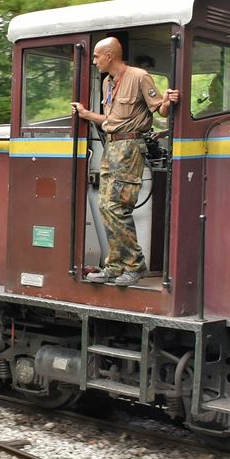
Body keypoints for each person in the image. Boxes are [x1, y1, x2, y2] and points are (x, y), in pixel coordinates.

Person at [71, 37, 179, 286]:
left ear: (110, 56)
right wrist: (88, 115)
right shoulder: (108, 82)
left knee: (118, 207)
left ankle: (134, 265)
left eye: (97, 56)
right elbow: (112, 120)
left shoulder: (139, 77)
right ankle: (114, 265)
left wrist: (168, 101)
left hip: (129, 148)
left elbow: (159, 110)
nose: (95, 61)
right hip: (112, 146)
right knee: (106, 207)